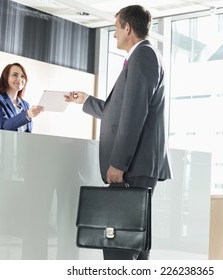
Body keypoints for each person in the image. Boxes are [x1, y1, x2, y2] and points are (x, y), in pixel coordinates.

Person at [65, 5, 172, 260]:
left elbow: (134, 115)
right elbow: (122, 111)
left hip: (133, 165)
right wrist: (87, 100)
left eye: (115, 28)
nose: (114, 34)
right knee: (133, 243)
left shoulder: (143, 56)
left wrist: (117, 163)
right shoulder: (142, 56)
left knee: (118, 247)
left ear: (127, 28)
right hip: (138, 165)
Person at [0, 62, 43, 132]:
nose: (19, 79)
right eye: (15, 75)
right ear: (6, 78)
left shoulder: (25, 104)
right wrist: (27, 115)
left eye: (22, 76)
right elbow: (4, 125)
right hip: (4, 142)